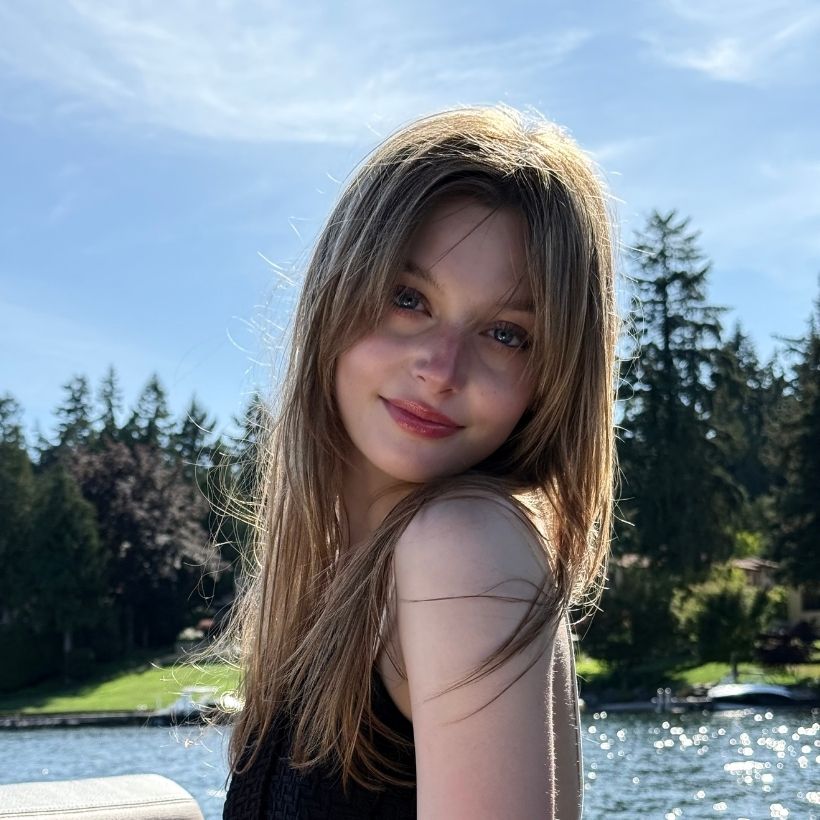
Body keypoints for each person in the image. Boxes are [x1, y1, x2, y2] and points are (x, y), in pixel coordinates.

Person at [221, 105, 619, 819]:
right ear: (335, 296)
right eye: (409, 299)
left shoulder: (461, 550)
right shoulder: (343, 581)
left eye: (506, 333)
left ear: (551, 380)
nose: (441, 368)